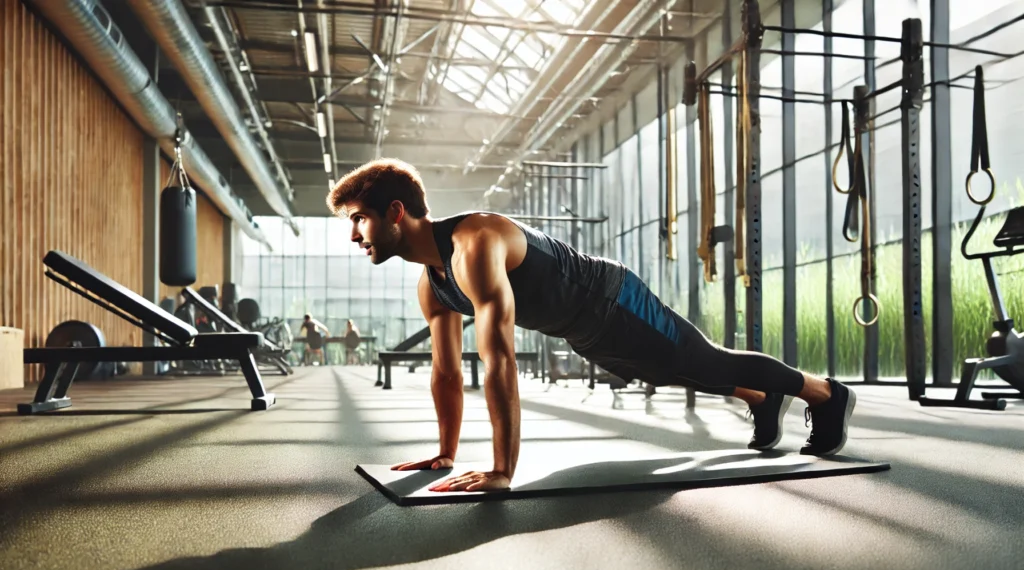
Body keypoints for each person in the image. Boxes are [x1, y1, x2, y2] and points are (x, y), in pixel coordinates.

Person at [326, 159, 857, 493]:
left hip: (614, 300)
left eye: (358, 218)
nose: (354, 234)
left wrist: (501, 470)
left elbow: (499, 360)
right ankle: (763, 400)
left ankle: (824, 394)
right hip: (582, 330)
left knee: (704, 360)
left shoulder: (475, 242)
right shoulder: (432, 282)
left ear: (396, 211)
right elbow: (446, 373)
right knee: (671, 373)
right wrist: (446, 450)